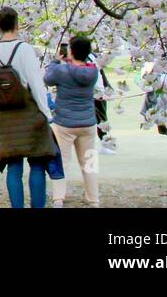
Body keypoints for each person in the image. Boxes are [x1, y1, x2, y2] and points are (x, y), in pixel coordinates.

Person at [0, 7, 54, 208]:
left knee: (14, 167)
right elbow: (36, 85)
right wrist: (45, 113)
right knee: (37, 163)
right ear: (17, 24)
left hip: (4, 116)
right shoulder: (25, 49)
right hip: (29, 112)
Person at [44, 35, 100, 207]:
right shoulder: (93, 71)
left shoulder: (62, 71)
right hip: (87, 122)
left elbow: (47, 78)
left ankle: (59, 197)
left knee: (62, 162)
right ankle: (93, 198)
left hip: (65, 123)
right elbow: (81, 69)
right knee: (89, 163)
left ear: (71, 51)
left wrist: (55, 62)